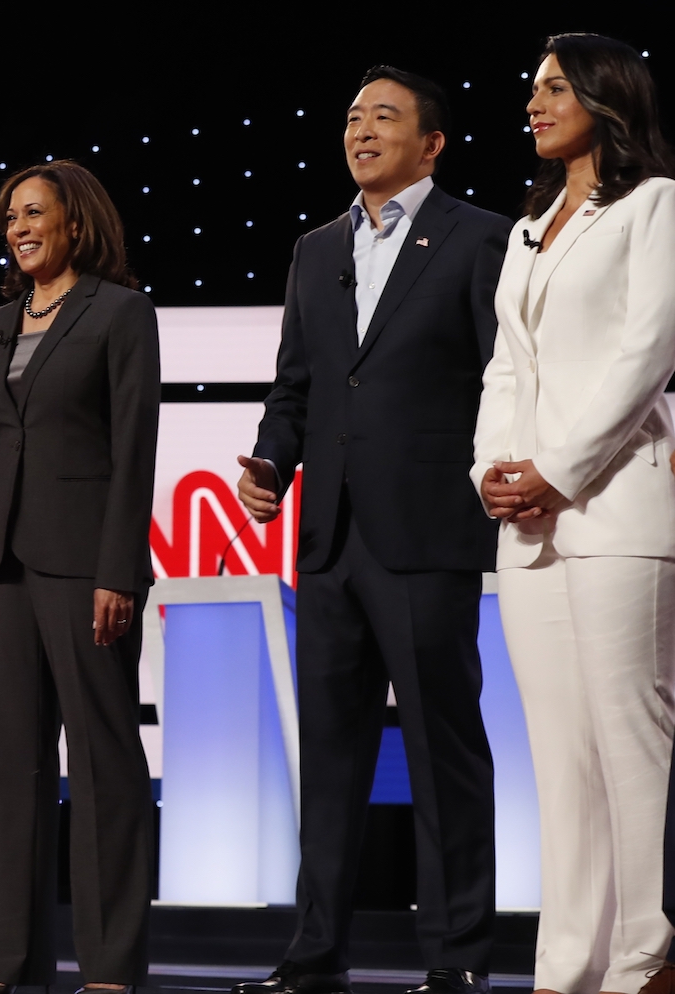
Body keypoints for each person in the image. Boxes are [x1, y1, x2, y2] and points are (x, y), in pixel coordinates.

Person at [235, 67, 509, 994]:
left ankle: (458, 957)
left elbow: (503, 377)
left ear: (431, 144)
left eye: (383, 116)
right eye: (353, 116)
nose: (361, 130)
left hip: (427, 534)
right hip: (329, 541)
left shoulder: (480, 238)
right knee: (330, 759)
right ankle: (315, 954)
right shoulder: (317, 249)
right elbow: (297, 385)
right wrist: (272, 461)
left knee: (443, 751)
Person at [473, 33, 675, 994]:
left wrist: (555, 469)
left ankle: (646, 956)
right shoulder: (528, 227)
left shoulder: (654, 204)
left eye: (555, 87)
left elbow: (648, 352)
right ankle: (566, 966)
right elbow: (506, 366)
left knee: (631, 742)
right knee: (558, 756)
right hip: (529, 528)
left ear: (606, 95)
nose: (535, 104)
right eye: (533, 89)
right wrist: (491, 471)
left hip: (619, 506)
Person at [0, 161, 160, 994]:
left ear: (76, 222)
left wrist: (118, 570)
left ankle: (109, 968)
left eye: (34, 212)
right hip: (0, 566)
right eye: (10, 217)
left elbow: (133, 448)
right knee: (14, 767)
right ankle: (8, 966)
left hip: (84, 563)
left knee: (103, 763)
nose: (20, 228)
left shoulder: (121, 312)